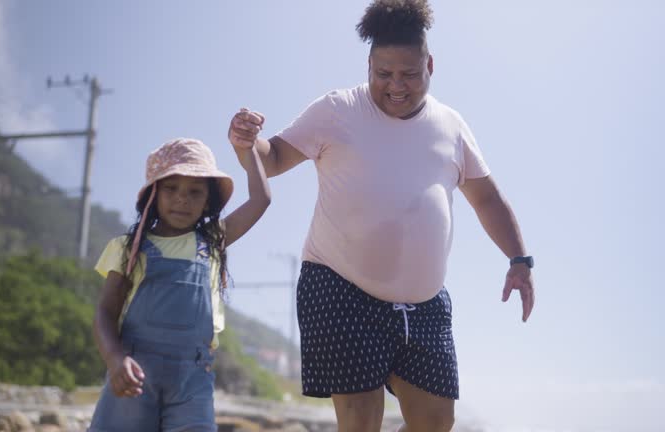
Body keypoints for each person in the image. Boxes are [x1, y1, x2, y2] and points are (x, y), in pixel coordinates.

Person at [229, 0, 534, 430]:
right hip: (340, 287)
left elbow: (486, 199)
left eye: (409, 74)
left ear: (430, 64)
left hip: (424, 304)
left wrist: (519, 259)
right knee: (361, 421)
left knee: (436, 423)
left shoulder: (452, 125)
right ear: (368, 65)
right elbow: (274, 157)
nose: (396, 86)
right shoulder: (337, 110)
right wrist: (247, 144)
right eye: (383, 74)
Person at [88, 137, 270, 432]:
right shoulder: (128, 249)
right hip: (135, 372)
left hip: (193, 377)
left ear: (207, 201)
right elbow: (104, 314)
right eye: (171, 188)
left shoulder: (211, 242)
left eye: (194, 192)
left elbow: (260, 200)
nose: (182, 199)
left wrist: (248, 149)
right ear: (153, 194)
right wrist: (115, 359)